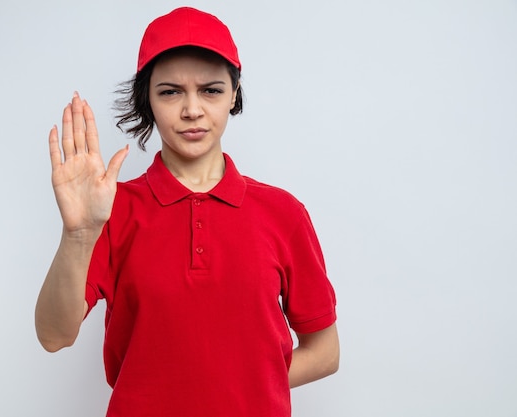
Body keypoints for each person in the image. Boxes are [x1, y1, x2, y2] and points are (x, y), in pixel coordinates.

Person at [35, 6, 339, 417]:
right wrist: (78, 234)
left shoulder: (283, 214)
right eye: (170, 91)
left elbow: (325, 352)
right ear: (148, 99)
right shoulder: (111, 210)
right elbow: (54, 335)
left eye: (211, 90)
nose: (192, 109)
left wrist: (235, 387)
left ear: (234, 94)